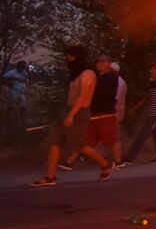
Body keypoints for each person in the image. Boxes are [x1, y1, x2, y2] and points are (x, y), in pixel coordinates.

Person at [32, 47, 110, 186]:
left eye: (70, 57)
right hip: (67, 110)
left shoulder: (88, 74)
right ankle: (51, 177)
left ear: (78, 57)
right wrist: (66, 113)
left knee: (80, 145)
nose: (68, 59)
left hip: (79, 113)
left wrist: (71, 115)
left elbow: (82, 97)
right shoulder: (75, 74)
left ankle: (105, 165)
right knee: (54, 142)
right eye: (67, 57)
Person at [66, 54, 122, 172]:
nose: (100, 64)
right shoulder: (97, 77)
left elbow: (103, 95)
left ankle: (118, 161)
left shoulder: (111, 77)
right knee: (86, 139)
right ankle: (69, 161)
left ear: (109, 63)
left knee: (111, 138)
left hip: (105, 113)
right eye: (98, 62)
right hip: (93, 112)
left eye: (103, 61)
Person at [123, 63, 156, 163]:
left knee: (142, 135)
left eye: (154, 69)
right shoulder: (152, 83)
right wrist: (135, 109)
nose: (151, 71)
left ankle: (129, 158)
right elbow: (145, 98)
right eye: (151, 69)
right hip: (151, 112)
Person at [3, 61, 28, 125]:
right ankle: (7, 118)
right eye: (21, 67)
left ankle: (23, 118)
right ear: (18, 66)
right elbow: (4, 78)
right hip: (13, 90)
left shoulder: (24, 73)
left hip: (21, 90)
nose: (22, 68)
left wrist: (25, 86)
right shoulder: (12, 72)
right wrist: (8, 84)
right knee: (11, 104)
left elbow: (26, 80)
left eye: (23, 67)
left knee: (23, 104)